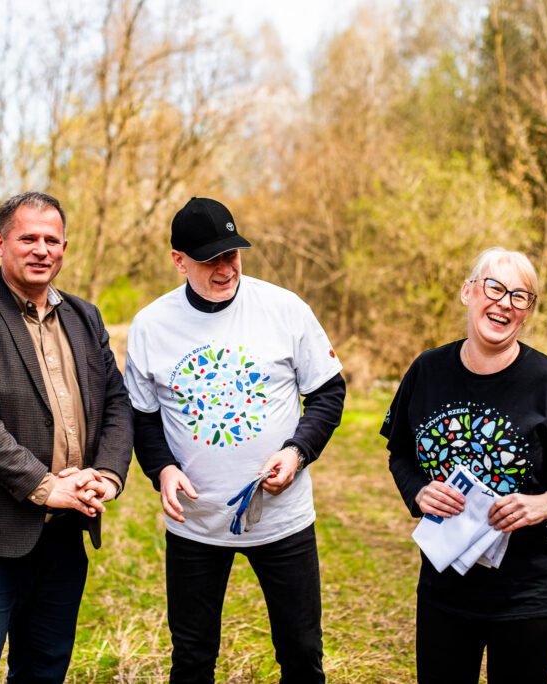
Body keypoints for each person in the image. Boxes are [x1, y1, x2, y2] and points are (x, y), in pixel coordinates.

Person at [124, 197, 346, 683]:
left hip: (283, 520)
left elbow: (328, 393)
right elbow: (141, 417)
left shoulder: (284, 309)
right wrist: (162, 468)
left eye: (232, 254)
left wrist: (297, 451)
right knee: (192, 658)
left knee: (302, 652)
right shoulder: (151, 326)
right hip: (196, 524)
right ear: (179, 260)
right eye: (210, 260)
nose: (226, 269)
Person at [0, 191, 133, 683]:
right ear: (0, 243)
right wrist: (43, 485)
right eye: (28, 238)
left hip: (65, 531)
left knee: (44, 669)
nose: (41, 250)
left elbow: (116, 403)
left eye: (52, 240)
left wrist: (106, 475)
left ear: (64, 248)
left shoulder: (84, 316)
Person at [380, 247, 547, 684]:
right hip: (444, 585)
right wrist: (418, 491)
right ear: (467, 292)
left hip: (528, 593)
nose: (505, 303)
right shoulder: (427, 371)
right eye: (494, 288)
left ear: (527, 312)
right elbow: (401, 453)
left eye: (520, 296)